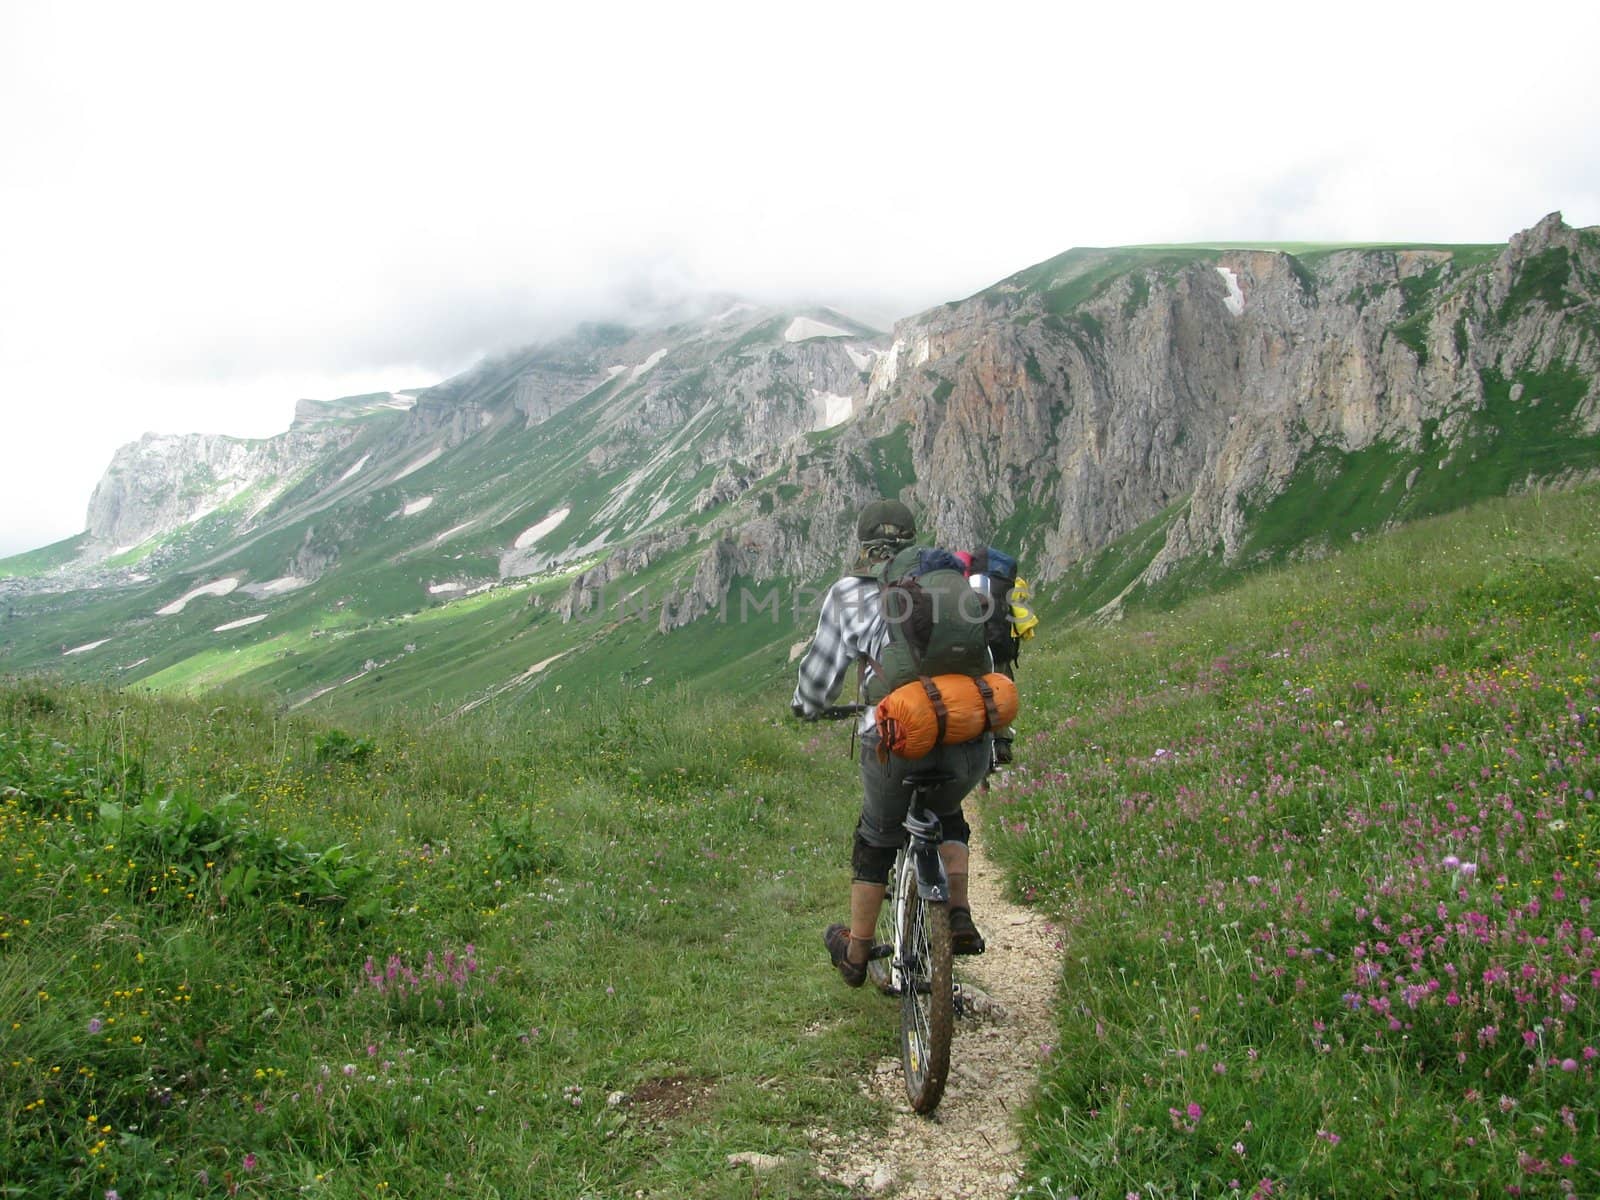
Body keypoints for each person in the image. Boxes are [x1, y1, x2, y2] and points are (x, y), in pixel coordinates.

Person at [791, 499, 990, 987]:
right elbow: (983, 654)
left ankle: (857, 954)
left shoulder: (849, 593)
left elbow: (821, 674)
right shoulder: (950, 584)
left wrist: (807, 707)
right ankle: (958, 914)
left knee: (876, 836)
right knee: (948, 816)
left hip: (894, 737)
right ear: (911, 538)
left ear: (864, 546)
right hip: (963, 729)